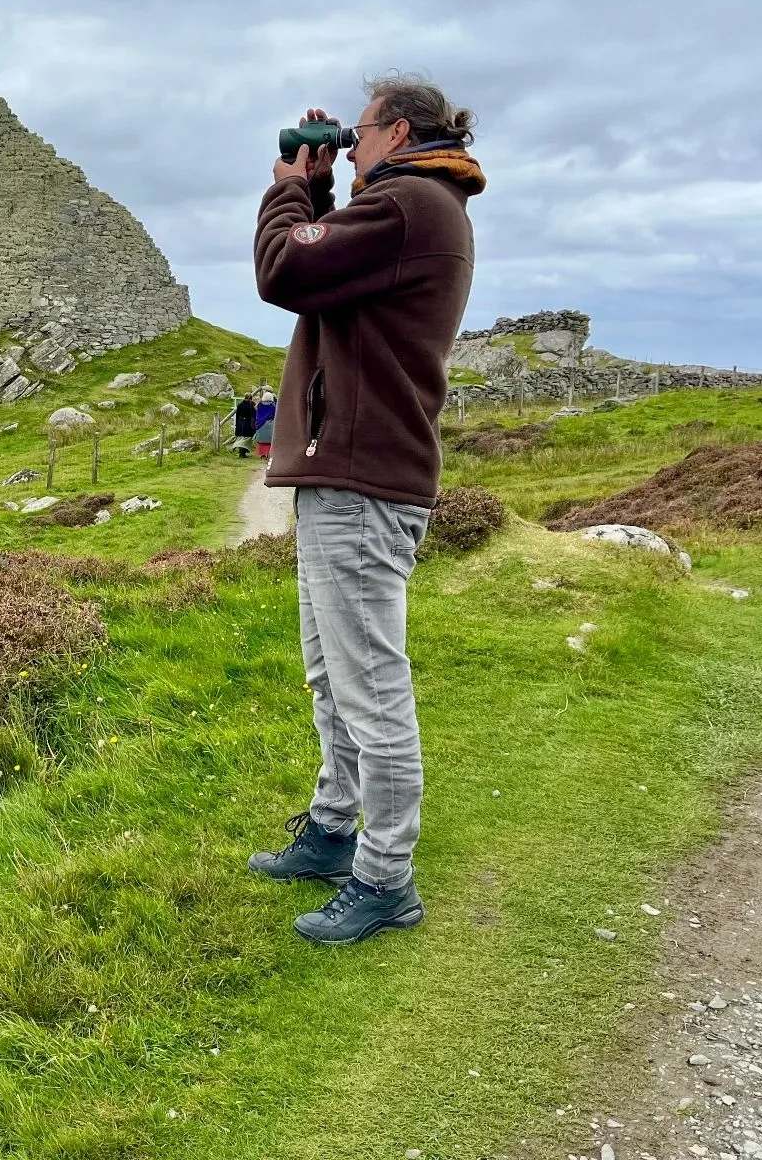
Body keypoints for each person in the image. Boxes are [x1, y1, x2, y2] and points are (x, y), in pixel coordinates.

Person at [246, 74, 483, 947]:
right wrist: (312, 186)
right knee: (331, 677)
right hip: (344, 476)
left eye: (362, 132)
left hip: (362, 481)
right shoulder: (407, 208)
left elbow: (288, 269)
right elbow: (322, 266)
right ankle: (333, 829)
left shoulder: (412, 204)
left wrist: (287, 189)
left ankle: (385, 879)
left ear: (398, 132)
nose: (351, 147)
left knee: (371, 687)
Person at [251, 386, 277, 459]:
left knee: (261, 441)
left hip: (261, 424)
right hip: (270, 424)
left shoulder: (260, 405)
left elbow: (256, 411)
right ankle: (268, 454)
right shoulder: (273, 406)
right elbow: (274, 414)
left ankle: (262, 454)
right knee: (269, 441)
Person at [231, 391, 257, 456]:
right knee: (247, 438)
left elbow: (237, 415)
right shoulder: (251, 406)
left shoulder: (240, 405)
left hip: (240, 422)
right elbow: (254, 415)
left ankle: (240, 451)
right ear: (251, 398)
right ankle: (244, 452)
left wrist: (236, 424)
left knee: (241, 437)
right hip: (248, 423)